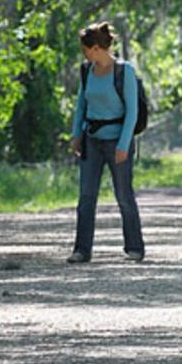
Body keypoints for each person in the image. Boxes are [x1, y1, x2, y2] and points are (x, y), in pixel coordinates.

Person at [67, 22, 145, 263]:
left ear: (96, 48)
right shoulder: (86, 71)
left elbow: (132, 111)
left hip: (117, 140)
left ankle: (134, 247)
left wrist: (123, 144)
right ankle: (81, 249)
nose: (84, 54)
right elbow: (82, 104)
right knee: (86, 197)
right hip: (92, 139)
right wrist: (76, 134)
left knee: (124, 195)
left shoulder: (124, 72)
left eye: (85, 49)